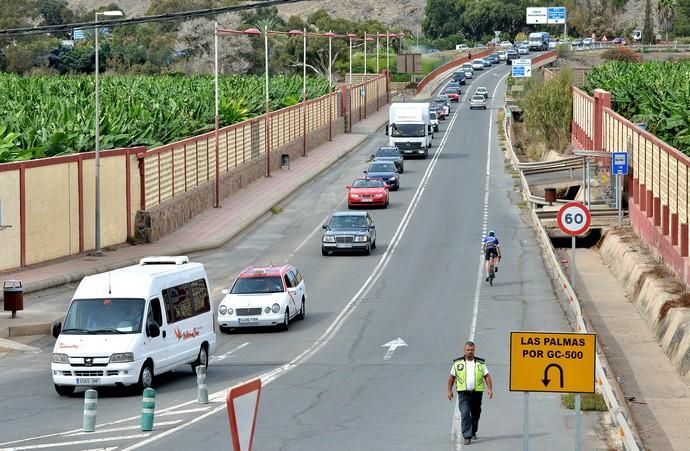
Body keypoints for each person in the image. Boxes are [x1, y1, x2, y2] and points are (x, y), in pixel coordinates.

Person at [447, 341, 493, 445]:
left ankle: (473, 431)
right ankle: (467, 436)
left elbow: (487, 376)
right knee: (465, 412)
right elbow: (451, 378)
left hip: (477, 393)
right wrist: (449, 391)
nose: (470, 352)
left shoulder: (480, 363)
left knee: (476, 413)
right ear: (464, 350)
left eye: (472, 350)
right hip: (463, 393)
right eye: (468, 350)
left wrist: (489, 389)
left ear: (474, 350)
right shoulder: (457, 363)